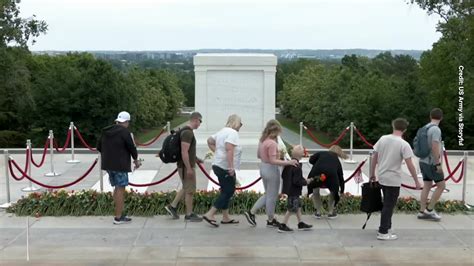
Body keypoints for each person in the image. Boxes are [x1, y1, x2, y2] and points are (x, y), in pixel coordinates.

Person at [370, 118, 421, 240]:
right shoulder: (404, 144)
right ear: (405, 130)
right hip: (393, 179)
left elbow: (374, 157)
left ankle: (386, 226)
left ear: (393, 126)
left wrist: (372, 173)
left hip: (382, 176)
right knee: (389, 205)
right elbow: (410, 165)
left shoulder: (383, 139)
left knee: (386, 204)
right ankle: (383, 232)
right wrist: (416, 180)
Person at [244, 119, 298, 228]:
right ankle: (269, 219)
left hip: (263, 167)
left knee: (268, 194)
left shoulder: (263, 140)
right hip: (271, 169)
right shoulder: (272, 143)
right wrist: (288, 162)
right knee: (271, 197)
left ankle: (253, 212)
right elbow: (273, 161)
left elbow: (259, 155)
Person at [97, 111, 141, 225]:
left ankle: (118, 213)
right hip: (120, 166)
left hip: (108, 165)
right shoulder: (124, 132)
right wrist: (136, 161)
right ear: (126, 122)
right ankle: (118, 217)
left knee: (116, 188)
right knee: (120, 189)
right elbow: (131, 148)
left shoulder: (106, 131)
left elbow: (99, 147)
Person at [202, 114, 243, 227]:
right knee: (229, 191)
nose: (241, 126)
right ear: (236, 122)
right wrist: (231, 167)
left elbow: (209, 140)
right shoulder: (233, 133)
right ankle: (210, 214)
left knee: (226, 190)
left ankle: (225, 217)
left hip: (218, 164)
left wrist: (218, 153)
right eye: (241, 123)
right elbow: (229, 149)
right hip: (224, 167)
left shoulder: (222, 131)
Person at [165, 112, 203, 222]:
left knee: (186, 187)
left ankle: (172, 206)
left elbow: (188, 151)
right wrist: (189, 168)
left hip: (184, 165)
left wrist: (195, 158)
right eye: (200, 121)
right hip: (186, 166)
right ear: (195, 119)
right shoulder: (188, 133)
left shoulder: (185, 131)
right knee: (190, 191)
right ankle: (189, 214)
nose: (200, 124)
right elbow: (184, 151)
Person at [278, 145, 313, 233]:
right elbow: (297, 181)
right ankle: (283, 225)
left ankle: (300, 223)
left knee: (298, 206)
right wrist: (306, 182)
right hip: (294, 191)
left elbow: (284, 176)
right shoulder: (297, 167)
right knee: (291, 208)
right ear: (301, 155)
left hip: (289, 189)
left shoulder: (288, 164)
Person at [418, 108, 445, 221]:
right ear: (441, 118)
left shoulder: (425, 128)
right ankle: (430, 210)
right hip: (432, 163)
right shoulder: (436, 130)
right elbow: (435, 147)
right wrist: (437, 163)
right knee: (441, 185)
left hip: (422, 161)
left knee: (427, 185)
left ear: (430, 116)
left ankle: (422, 211)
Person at [307, 145, 347, 219]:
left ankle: (318, 212)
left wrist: (318, 163)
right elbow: (341, 177)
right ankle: (331, 212)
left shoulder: (321, 153)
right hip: (331, 176)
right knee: (333, 191)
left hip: (317, 173)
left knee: (315, 189)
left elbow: (310, 160)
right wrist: (342, 191)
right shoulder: (337, 160)